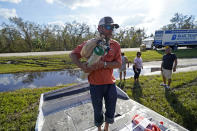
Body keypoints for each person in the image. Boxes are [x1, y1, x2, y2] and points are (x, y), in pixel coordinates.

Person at [69, 16, 121, 131]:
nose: (111, 30)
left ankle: (106, 127)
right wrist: (83, 66)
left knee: (111, 107)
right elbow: (72, 55)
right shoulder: (90, 44)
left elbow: (118, 63)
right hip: (95, 85)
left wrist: (104, 65)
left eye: (113, 27)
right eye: (108, 27)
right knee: (97, 108)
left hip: (110, 83)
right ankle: (99, 128)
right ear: (100, 28)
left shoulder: (115, 45)